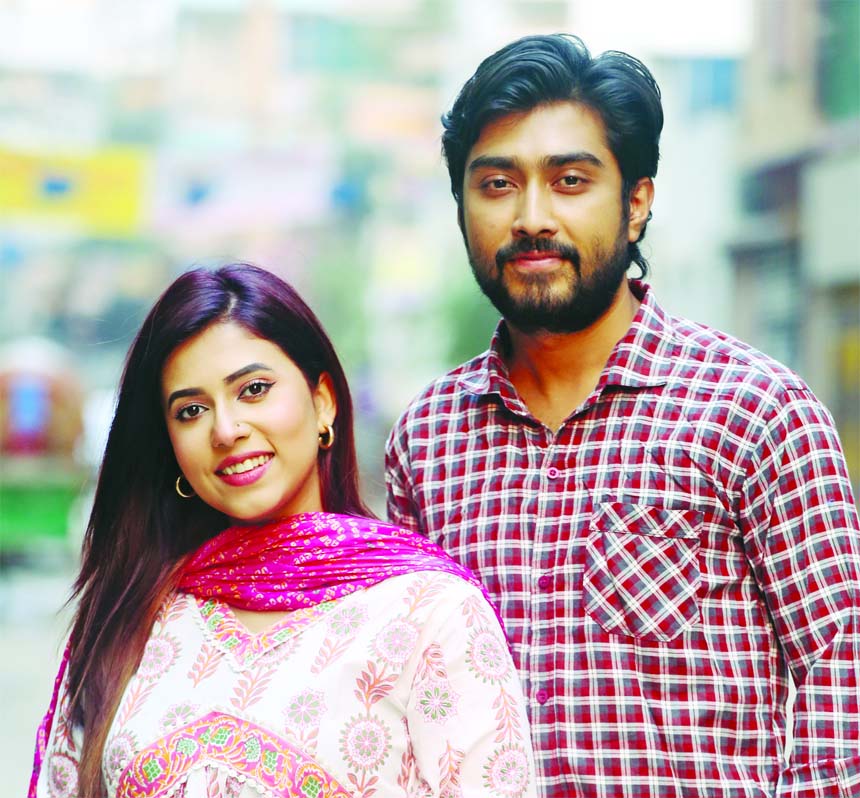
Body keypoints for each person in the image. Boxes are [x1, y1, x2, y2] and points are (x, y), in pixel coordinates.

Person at [385, 33, 860, 798]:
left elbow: (840, 674)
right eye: (497, 184)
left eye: (569, 181)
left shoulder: (756, 414)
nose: (531, 217)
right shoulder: (428, 439)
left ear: (636, 204)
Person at [30, 263, 537, 798]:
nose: (226, 430)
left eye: (253, 389)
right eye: (191, 410)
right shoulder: (130, 615)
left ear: (323, 402)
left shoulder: (428, 613)